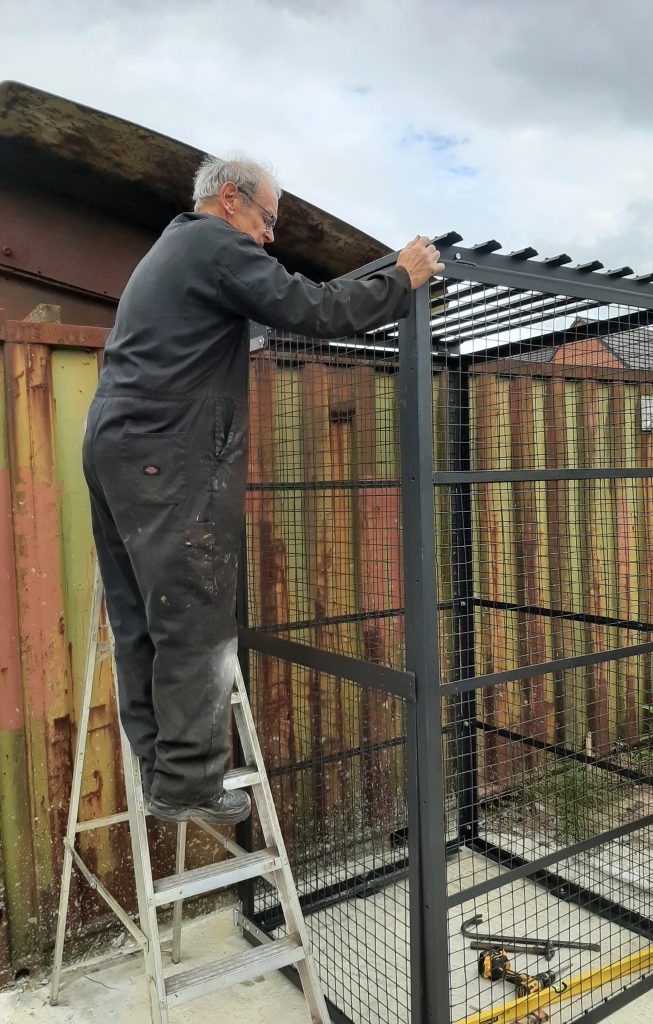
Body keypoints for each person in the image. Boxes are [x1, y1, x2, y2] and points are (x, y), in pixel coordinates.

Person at [82, 155, 444, 825]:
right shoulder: (214, 244)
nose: (271, 237)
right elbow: (315, 307)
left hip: (116, 444)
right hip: (164, 452)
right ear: (230, 200)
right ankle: (187, 783)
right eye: (268, 219)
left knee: (141, 612)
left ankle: (158, 756)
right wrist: (402, 279)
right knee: (193, 613)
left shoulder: (171, 252)